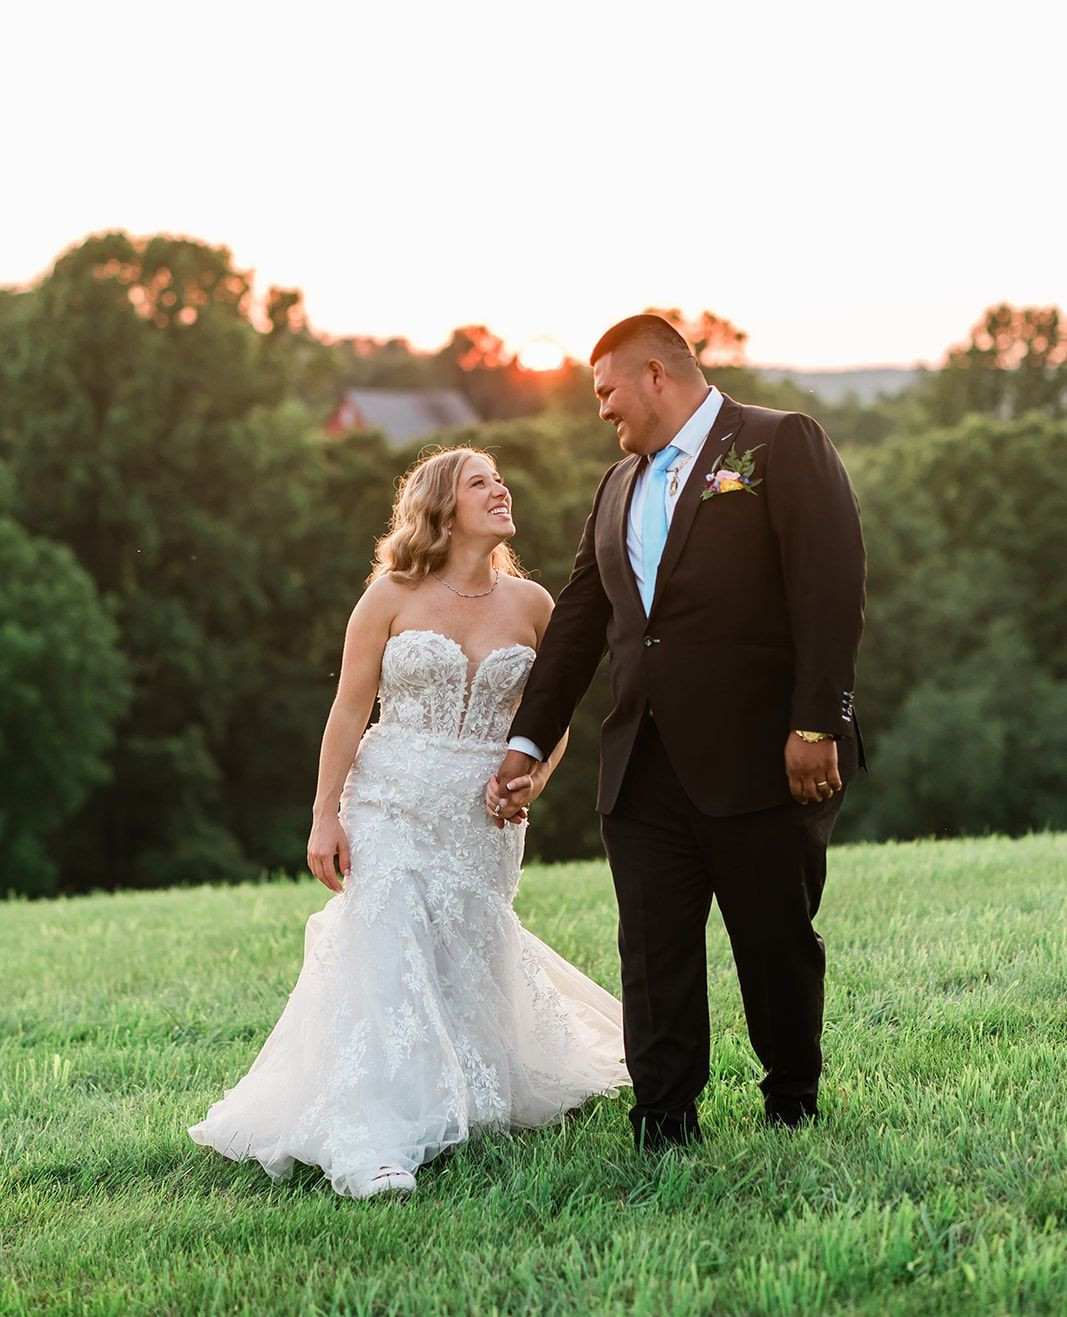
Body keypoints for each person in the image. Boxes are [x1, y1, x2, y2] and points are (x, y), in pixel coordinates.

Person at [190, 447, 628, 1198]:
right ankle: (374, 1138)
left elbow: (551, 715)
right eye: (479, 482)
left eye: (499, 479)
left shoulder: (532, 605)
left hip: (482, 815)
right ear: (440, 505)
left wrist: (533, 780)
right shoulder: (388, 596)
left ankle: (463, 1091)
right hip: (387, 799)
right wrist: (325, 813)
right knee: (387, 943)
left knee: (462, 946)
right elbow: (349, 708)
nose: (500, 489)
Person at [490, 315, 866, 1149]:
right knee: (652, 948)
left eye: (605, 391)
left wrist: (815, 720)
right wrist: (525, 740)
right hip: (641, 761)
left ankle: (791, 1101)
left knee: (773, 937)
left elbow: (829, 586)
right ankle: (663, 1119)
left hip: (763, 753)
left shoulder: (778, 443)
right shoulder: (615, 486)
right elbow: (582, 621)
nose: (599, 411)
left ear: (655, 373)